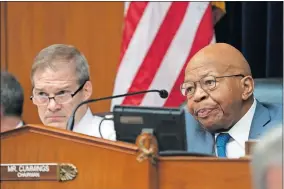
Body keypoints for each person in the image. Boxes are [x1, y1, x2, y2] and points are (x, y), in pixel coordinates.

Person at [180, 43, 282, 158]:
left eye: (209, 82)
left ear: (246, 87)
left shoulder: (280, 128)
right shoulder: (181, 132)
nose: (197, 96)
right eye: (189, 88)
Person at [30, 44, 116, 140]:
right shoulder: (27, 146)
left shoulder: (113, 139)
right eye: (42, 94)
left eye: (62, 93)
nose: (52, 106)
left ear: (86, 91)